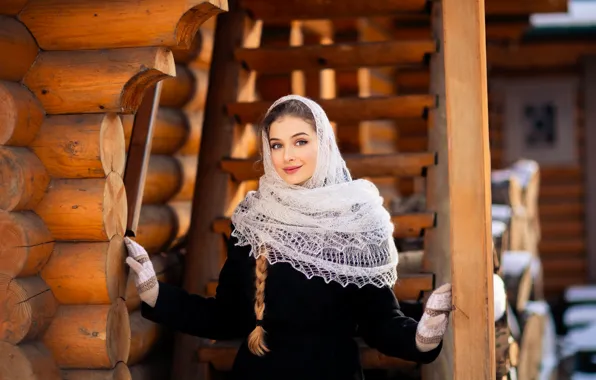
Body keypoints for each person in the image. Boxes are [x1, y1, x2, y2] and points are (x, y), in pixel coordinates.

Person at [125, 95, 453, 380]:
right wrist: (157, 295)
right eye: (276, 145)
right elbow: (228, 318)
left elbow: (380, 321)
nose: (287, 156)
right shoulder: (255, 219)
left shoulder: (357, 220)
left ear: (323, 143)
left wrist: (422, 339)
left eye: (300, 141)